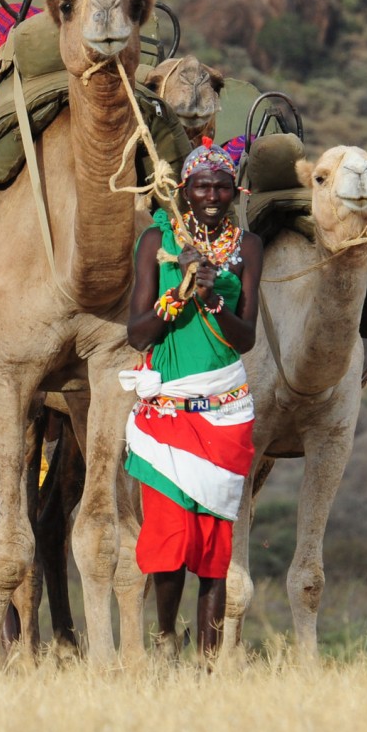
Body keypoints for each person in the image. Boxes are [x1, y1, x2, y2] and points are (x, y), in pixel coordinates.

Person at [123, 138, 263, 657]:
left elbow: (245, 338)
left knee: (212, 549)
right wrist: (178, 294)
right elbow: (138, 334)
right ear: (184, 190)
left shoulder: (248, 247)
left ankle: (207, 664)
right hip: (167, 414)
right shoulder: (155, 242)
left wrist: (212, 298)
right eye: (202, 186)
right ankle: (165, 641)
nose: (212, 196)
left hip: (224, 414)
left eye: (222, 187)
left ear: (235, 192)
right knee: (170, 540)